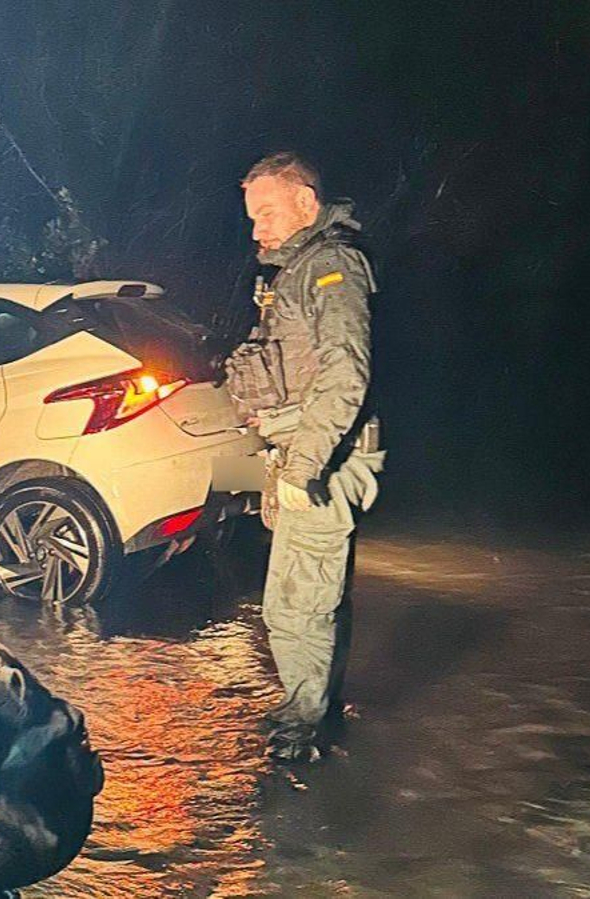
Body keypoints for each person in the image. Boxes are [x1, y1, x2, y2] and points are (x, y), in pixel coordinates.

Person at [228, 151, 383, 763]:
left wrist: (303, 466)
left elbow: (347, 374)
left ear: (305, 204)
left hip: (323, 460)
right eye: (251, 217)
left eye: (266, 213)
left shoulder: (331, 268)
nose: (256, 229)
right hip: (306, 451)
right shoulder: (296, 270)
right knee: (305, 598)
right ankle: (312, 710)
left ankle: (303, 738)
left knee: (296, 605)